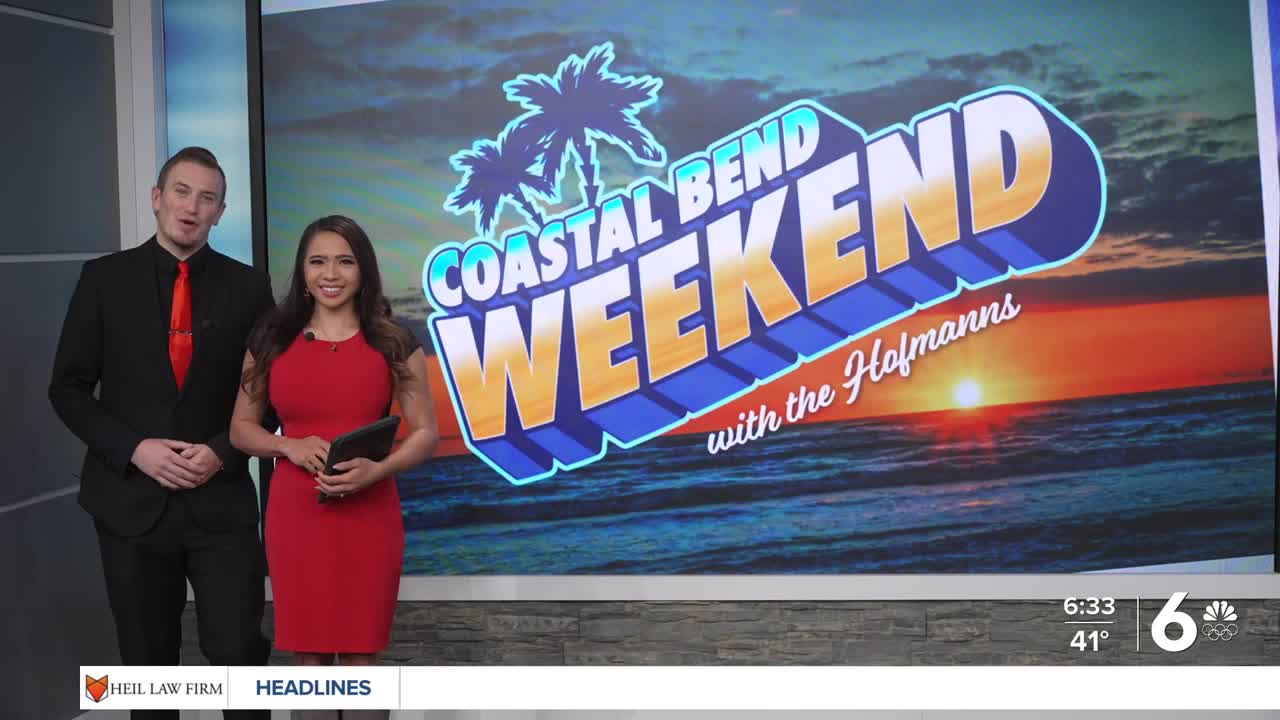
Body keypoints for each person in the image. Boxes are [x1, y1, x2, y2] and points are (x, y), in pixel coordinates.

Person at [49, 147, 274, 720]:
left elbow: (271, 396)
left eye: (207, 198)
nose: (191, 207)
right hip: (128, 503)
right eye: (181, 191)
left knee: (238, 655)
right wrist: (135, 450)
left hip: (219, 504)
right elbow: (68, 389)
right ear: (157, 197)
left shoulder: (249, 287)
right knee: (148, 671)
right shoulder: (103, 279)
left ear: (220, 212)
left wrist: (222, 453)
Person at [230, 215, 438, 719]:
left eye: (345, 261)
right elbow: (240, 430)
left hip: (370, 514)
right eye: (318, 261)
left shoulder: (393, 342)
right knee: (311, 658)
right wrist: (288, 446)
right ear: (302, 271)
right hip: (297, 516)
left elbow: (425, 433)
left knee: (363, 656)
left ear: (363, 270)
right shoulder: (272, 340)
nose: (331, 274)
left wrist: (377, 471)